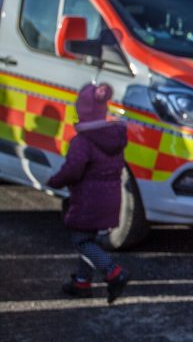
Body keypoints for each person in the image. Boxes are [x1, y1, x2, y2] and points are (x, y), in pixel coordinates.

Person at [47, 82, 131, 304]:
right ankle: (82, 281)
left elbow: (73, 170)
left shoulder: (83, 141)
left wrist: (55, 181)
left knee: (81, 241)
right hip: (110, 197)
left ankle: (113, 272)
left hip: (88, 199)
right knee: (89, 238)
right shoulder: (113, 138)